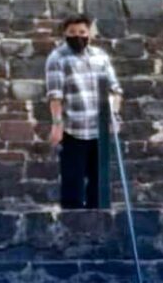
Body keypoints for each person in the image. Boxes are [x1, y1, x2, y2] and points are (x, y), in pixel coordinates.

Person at [45, 14, 124, 209]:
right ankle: (73, 229)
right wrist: (57, 125)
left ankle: (98, 226)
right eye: (72, 32)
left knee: (99, 183)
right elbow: (55, 95)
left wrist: (113, 113)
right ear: (65, 34)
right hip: (74, 129)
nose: (77, 36)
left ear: (90, 34)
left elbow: (115, 89)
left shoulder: (100, 57)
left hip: (100, 130)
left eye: (82, 32)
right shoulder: (57, 58)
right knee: (73, 183)